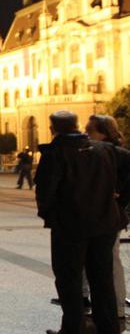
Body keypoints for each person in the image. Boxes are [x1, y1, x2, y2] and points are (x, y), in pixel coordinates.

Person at [36, 111, 123, 334]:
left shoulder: (55, 152)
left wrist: (51, 217)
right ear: (77, 126)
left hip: (70, 227)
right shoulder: (104, 149)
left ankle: (73, 329)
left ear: (52, 128)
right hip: (104, 225)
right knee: (102, 280)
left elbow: (46, 193)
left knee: (69, 281)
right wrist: (119, 198)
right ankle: (109, 328)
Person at [85, 114, 130, 323]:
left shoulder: (118, 154)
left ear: (102, 133)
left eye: (90, 131)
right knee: (101, 261)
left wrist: (120, 196)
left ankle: (118, 307)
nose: (86, 135)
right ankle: (105, 306)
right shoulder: (98, 152)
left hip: (111, 215)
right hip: (100, 215)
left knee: (111, 260)